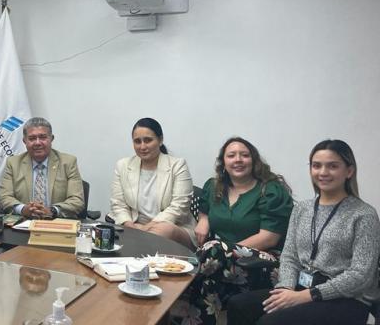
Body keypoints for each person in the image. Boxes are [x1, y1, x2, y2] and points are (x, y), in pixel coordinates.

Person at [227, 140, 380, 325]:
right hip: (303, 288)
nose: (323, 172)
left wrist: (307, 296)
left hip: (347, 299)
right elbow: (290, 256)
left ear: (349, 171)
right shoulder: (302, 209)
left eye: (332, 166)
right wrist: (286, 289)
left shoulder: (364, 214)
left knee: (270, 322)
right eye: (317, 166)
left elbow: (361, 275)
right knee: (238, 305)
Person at [173, 136, 294, 324]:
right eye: (231, 156)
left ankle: (174, 286)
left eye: (244, 155)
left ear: (254, 160)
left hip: (263, 261)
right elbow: (205, 210)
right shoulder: (214, 186)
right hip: (218, 261)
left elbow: (269, 238)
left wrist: (226, 250)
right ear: (223, 162)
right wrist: (203, 220)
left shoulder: (271, 190)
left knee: (212, 251)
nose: (238, 160)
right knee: (207, 283)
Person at [108, 117, 196, 249]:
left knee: (163, 230)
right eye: (137, 141)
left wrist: (146, 228)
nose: (142, 146)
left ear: (160, 140)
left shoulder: (178, 165)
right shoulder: (123, 166)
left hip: (173, 227)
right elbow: (118, 204)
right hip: (134, 226)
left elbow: (179, 207)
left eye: (148, 140)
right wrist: (129, 225)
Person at [0, 117, 84, 219]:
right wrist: (23, 209)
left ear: (51, 139)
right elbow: (4, 197)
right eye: (32, 138)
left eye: (42, 137)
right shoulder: (13, 163)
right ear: (24, 141)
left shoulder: (68, 162)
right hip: (24, 223)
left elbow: (77, 200)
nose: (38, 143)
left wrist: (52, 211)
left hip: (56, 222)